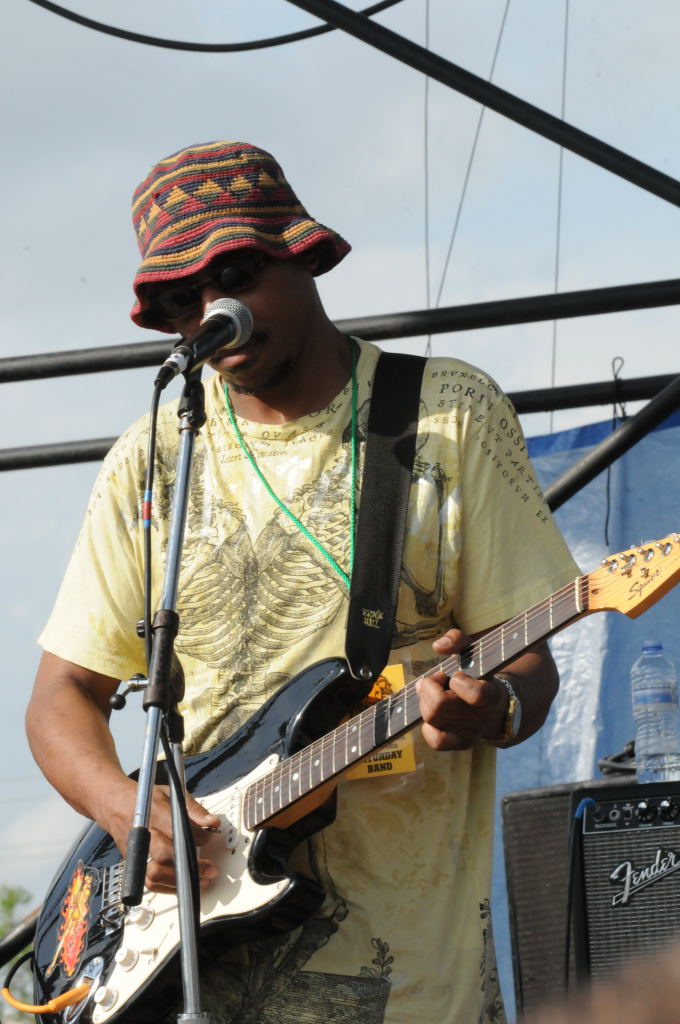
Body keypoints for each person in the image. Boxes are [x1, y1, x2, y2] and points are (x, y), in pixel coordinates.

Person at [26, 140, 579, 1024]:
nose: (211, 312)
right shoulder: (153, 459)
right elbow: (61, 695)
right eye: (179, 301)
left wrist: (498, 707)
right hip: (196, 976)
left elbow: (528, 659)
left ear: (303, 253)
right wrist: (129, 812)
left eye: (233, 276)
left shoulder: (447, 413)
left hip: (412, 980)